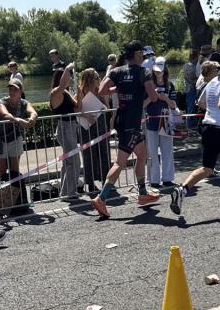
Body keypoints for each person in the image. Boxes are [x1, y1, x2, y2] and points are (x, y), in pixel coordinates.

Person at [170, 54, 220, 216]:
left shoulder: (213, 82)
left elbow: (201, 102)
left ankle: (182, 190)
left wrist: (214, 112)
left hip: (208, 127)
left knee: (207, 168)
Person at [91, 41, 161, 219]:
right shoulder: (144, 72)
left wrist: (119, 88)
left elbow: (102, 90)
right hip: (132, 123)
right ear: (136, 54)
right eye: (141, 53)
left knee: (142, 155)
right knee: (120, 162)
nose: (143, 56)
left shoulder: (116, 71)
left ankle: (142, 193)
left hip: (121, 119)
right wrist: (150, 93)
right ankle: (101, 198)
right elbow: (153, 97)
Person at [0, 78, 38, 202]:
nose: (12, 92)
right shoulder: (1, 101)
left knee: (14, 170)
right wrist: (19, 120)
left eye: (15, 90)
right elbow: (5, 114)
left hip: (15, 138)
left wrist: (32, 118)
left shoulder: (24, 103)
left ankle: (15, 200)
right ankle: (1, 199)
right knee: (1, 171)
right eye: (10, 89)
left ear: (21, 91)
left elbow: (33, 112)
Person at [50, 62, 82, 199]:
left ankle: (66, 191)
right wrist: (68, 68)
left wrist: (80, 94)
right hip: (65, 128)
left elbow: (78, 109)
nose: (70, 78)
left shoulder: (66, 93)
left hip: (71, 127)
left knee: (68, 161)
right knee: (73, 161)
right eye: (68, 75)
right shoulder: (55, 92)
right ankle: (69, 192)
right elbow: (62, 85)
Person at [145, 57, 178, 188]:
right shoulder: (148, 85)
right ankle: (153, 180)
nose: (158, 73)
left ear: (165, 70)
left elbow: (174, 105)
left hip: (166, 122)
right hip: (152, 122)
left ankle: (167, 178)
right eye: (156, 71)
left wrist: (165, 98)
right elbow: (143, 104)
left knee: (167, 151)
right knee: (152, 153)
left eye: (160, 71)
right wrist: (152, 97)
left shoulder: (170, 85)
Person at [77, 68, 110, 196]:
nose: (99, 80)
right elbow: (76, 111)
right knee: (89, 155)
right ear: (89, 79)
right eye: (96, 78)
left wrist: (104, 104)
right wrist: (86, 115)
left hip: (101, 125)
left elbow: (107, 108)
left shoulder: (100, 91)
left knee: (104, 153)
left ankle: (106, 181)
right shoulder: (81, 92)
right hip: (87, 127)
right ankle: (90, 184)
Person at [181, 48, 200, 129]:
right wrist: (199, 78)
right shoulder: (191, 65)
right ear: (195, 57)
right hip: (191, 88)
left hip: (187, 88)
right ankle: (190, 125)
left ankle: (190, 123)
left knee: (190, 106)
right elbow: (191, 78)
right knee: (191, 106)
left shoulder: (186, 65)